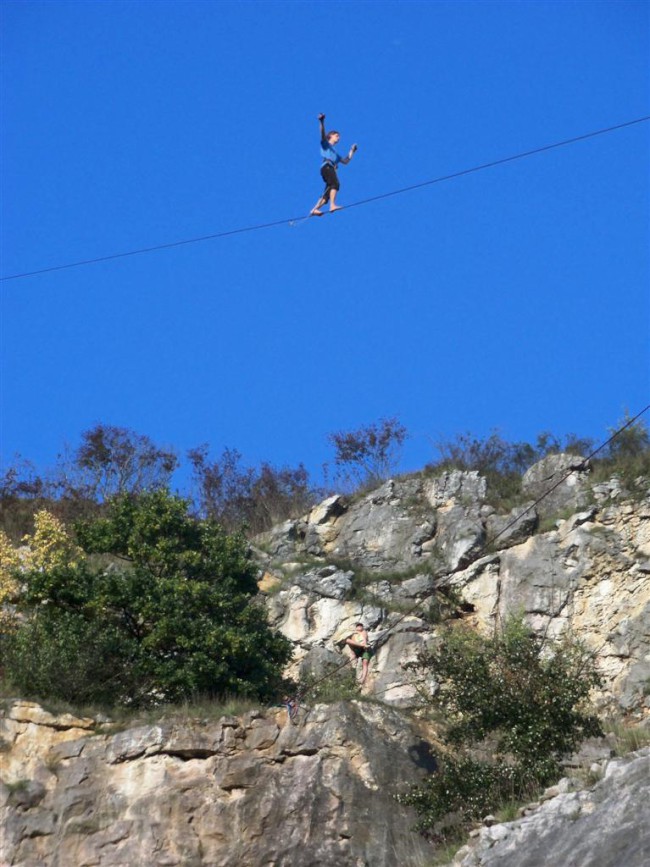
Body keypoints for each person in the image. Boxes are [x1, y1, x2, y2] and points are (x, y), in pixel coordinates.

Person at [311, 113, 357, 216]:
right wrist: (322, 122)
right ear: (330, 137)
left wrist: (352, 151)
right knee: (335, 184)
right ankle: (332, 205)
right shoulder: (326, 145)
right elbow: (322, 134)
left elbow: (345, 161)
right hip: (327, 167)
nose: (338, 138)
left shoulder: (335, 153)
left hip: (328, 168)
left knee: (327, 194)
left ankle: (314, 209)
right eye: (337, 136)